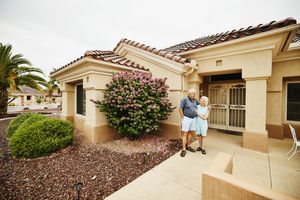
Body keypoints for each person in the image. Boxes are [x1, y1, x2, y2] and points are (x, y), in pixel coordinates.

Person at [179, 88, 199, 157]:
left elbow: (199, 107)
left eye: (195, 93)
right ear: (189, 93)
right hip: (186, 118)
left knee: (190, 132)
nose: (194, 95)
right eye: (193, 93)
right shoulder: (184, 99)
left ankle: (188, 146)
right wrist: (183, 118)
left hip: (193, 119)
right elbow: (180, 108)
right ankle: (184, 149)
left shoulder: (196, 100)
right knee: (185, 133)